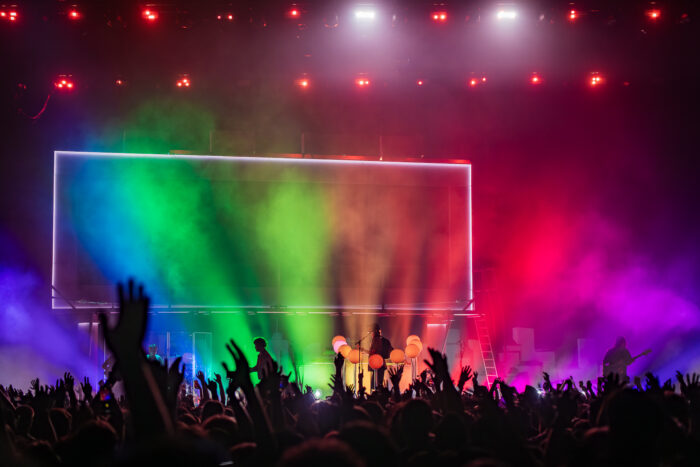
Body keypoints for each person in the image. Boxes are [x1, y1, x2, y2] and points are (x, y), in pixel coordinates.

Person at [368, 324, 392, 389]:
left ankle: (377, 395)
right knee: (378, 381)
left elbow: (374, 352)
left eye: (372, 332)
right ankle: (378, 393)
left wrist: (363, 350)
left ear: (375, 331)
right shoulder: (383, 340)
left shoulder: (376, 340)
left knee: (376, 382)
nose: (371, 334)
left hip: (378, 364)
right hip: (380, 364)